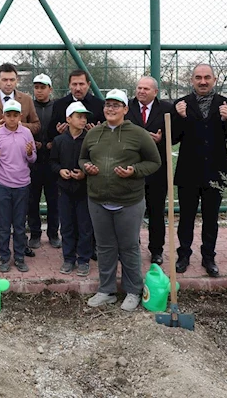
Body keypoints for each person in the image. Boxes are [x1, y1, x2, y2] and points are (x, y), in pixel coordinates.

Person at [80, 89, 161, 311]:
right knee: (105, 247)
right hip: (98, 200)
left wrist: (133, 170)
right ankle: (106, 290)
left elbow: (154, 162)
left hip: (129, 201)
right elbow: (83, 157)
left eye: (116, 105)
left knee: (128, 247)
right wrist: (86, 167)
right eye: (108, 105)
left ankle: (133, 290)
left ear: (126, 109)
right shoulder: (94, 133)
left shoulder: (138, 134)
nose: (111, 109)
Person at [171, 64, 227, 278]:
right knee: (186, 217)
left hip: (215, 171)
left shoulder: (226, 104)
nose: (203, 81)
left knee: (211, 217)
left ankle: (208, 257)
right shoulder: (181, 104)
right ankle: (183, 255)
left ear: (214, 79)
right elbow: (173, 137)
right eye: (198, 78)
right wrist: (179, 117)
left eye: (207, 77)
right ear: (192, 80)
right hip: (188, 171)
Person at [0, 63, 40, 260]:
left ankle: (21, 245)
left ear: (17, 80)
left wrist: (19, 126)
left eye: (12, 79)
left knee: (22, 207)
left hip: (21, 163)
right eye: (4, 79)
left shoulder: (26, 100)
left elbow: (37, 125)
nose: (8, 83)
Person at [125, 76, 174, 265]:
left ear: (155, 91)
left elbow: (176, 136)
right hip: (132, 168)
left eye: (146, 89)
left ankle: (156, 250)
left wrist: (162, 140)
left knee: (156, 211)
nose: (141, 91)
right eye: (139, 88)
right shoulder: (127, 107)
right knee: (131, 211)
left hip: (157, 170)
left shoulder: (167, 109)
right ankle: (132, 247)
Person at [0, 99, 37, 273]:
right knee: (3, 224)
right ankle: (4, 257)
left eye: (15, 115)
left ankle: (20, 257)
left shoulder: (26, 133)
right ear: (3, 116)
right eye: (8, 115)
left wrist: (30, 153)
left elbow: (32, 159)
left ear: (20, 117)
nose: (12, 119)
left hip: (22, 184)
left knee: (19, 224)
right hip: (2, 184)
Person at [50, 101, 94, 276]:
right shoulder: (59, 140)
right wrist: (60, 171)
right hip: (65, 190)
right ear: (68, 119)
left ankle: (83, 259)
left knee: (85, 226)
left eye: (84, 117)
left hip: (84, 190)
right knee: (67, 225)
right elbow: (53, 162)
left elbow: (93, 162)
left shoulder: (90, 140)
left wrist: (84, 173)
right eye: (79, 116)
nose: (83, 120)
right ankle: (68, 259)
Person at [28, 73, 60, 249]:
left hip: (52, 161)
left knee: (53, 199)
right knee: (32, 200)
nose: (39, 91)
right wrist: (33, 143)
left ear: (50, 89)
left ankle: (54, 233)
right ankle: (34, 234)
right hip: (32, 162)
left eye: (43, 87)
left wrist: (52, 144)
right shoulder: (29, 107)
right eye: (36, 87)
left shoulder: (56, 107)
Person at [48, 69, 105, 143]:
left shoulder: (99, 105)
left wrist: (97, 133)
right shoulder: (59, 104)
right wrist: (58, 132)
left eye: (81, 84)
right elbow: (50, 133)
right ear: (69, 85)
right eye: (74, 84)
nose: (78, 88)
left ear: (88, 85)